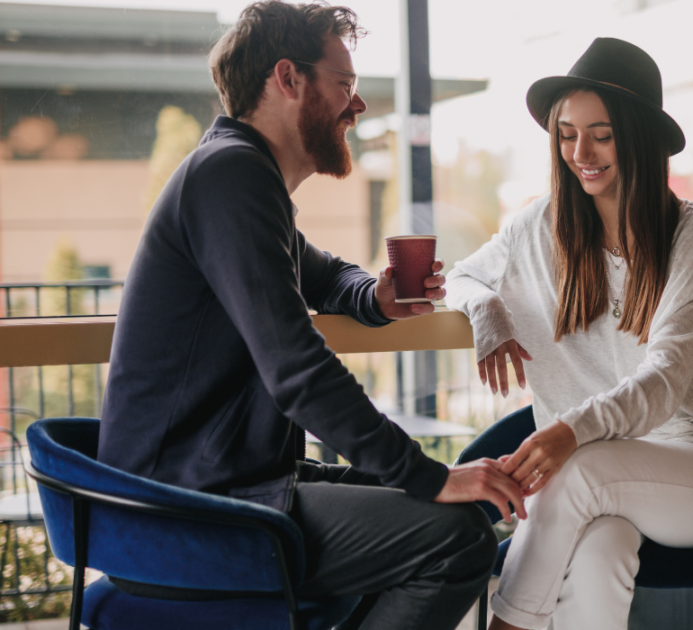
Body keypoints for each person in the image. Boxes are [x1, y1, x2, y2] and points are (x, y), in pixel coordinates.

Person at [97, 3, 527, 629]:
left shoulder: (244, 177)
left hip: (220, 484)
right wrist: (427, 476)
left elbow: (324, 275)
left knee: (448, 519)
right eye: (345, 85)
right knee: (457, 539)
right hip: (183, 511)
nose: (358, 107)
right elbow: (297, 367)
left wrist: (373, 297)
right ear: (288, 79)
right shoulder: (231, 177)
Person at [446, 38, 693, 630]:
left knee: (578, 473)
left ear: (638, 135)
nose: (579, 152)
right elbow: (460, 277)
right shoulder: (538, 226)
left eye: (602, 133)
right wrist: (486, 309)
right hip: (600, 482)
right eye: (566, 133)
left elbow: (663, 380)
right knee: (600, 555)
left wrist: (570, 431)